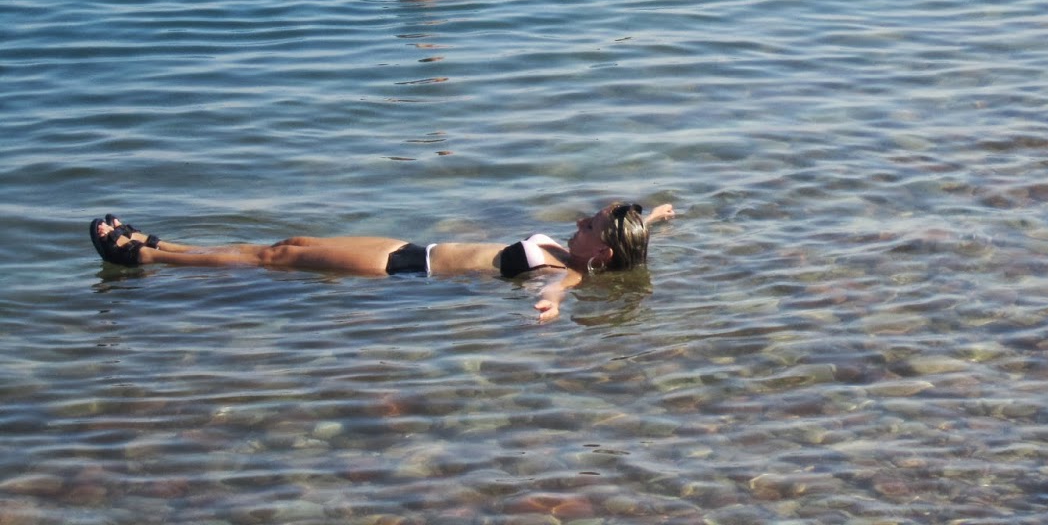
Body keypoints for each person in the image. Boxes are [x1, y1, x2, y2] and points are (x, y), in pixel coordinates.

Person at [89, 202, 675, 323]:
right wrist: (655, 217)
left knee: (274, 259)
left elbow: (563, 288)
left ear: (599, 251)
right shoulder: (584, 250)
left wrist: (549, 303)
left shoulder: (567, 268)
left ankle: (145, 257)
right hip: (408, 249)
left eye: (590, 225)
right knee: (292, 241)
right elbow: (616, 241)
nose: (579, 220)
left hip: (403, 273)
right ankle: (166, 248)